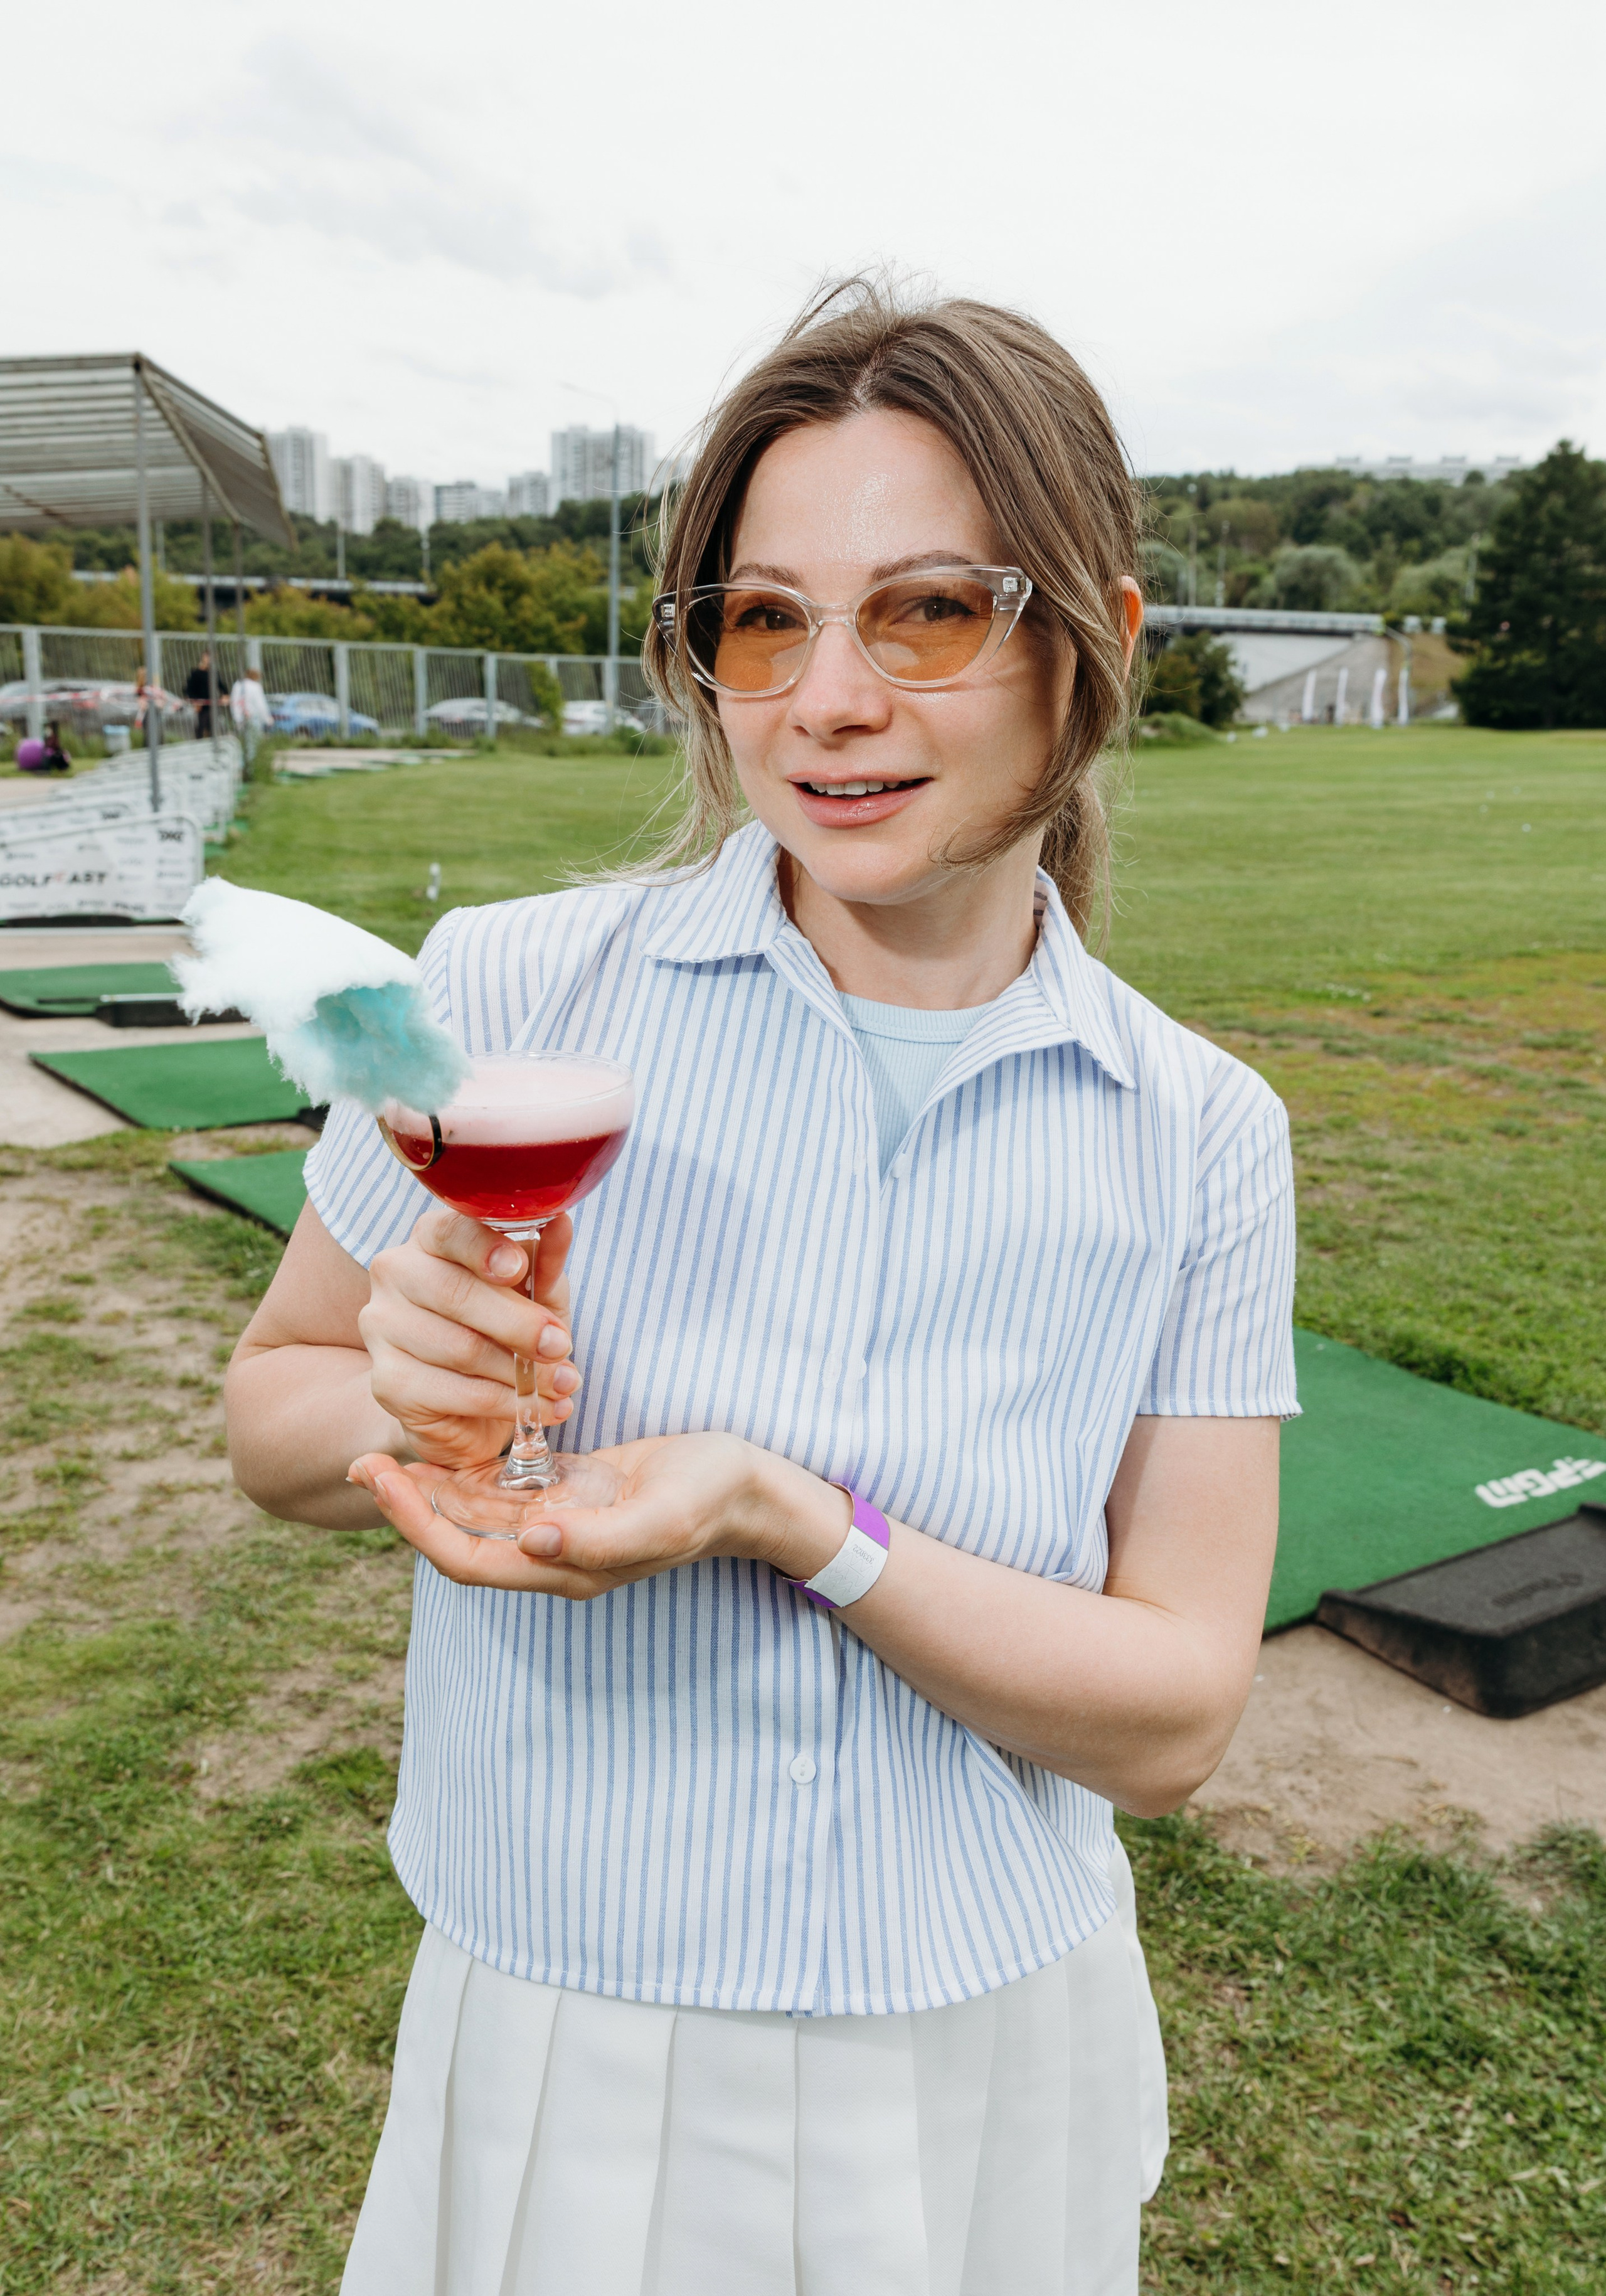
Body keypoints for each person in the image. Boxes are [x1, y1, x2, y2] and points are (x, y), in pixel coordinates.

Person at [226, 280, 1295, 2296]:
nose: (827, 700)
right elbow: (272, 1409)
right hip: (575, 2027)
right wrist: (401, 1385)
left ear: (1097, 641)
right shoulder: (507, 991)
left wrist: (796, 1518)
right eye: (764, 619)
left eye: (929, 611)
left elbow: (1171, 1719)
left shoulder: (1201, 1131)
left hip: (984, 2037)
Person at [184, 649, 217, 737]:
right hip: (200, 705)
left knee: (211, 727)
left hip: (211, 704)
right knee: (201, 726)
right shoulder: (196, 673)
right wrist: (195, 701)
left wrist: (225, 694)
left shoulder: (213, 673)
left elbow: (220, 685)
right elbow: (189, 689)